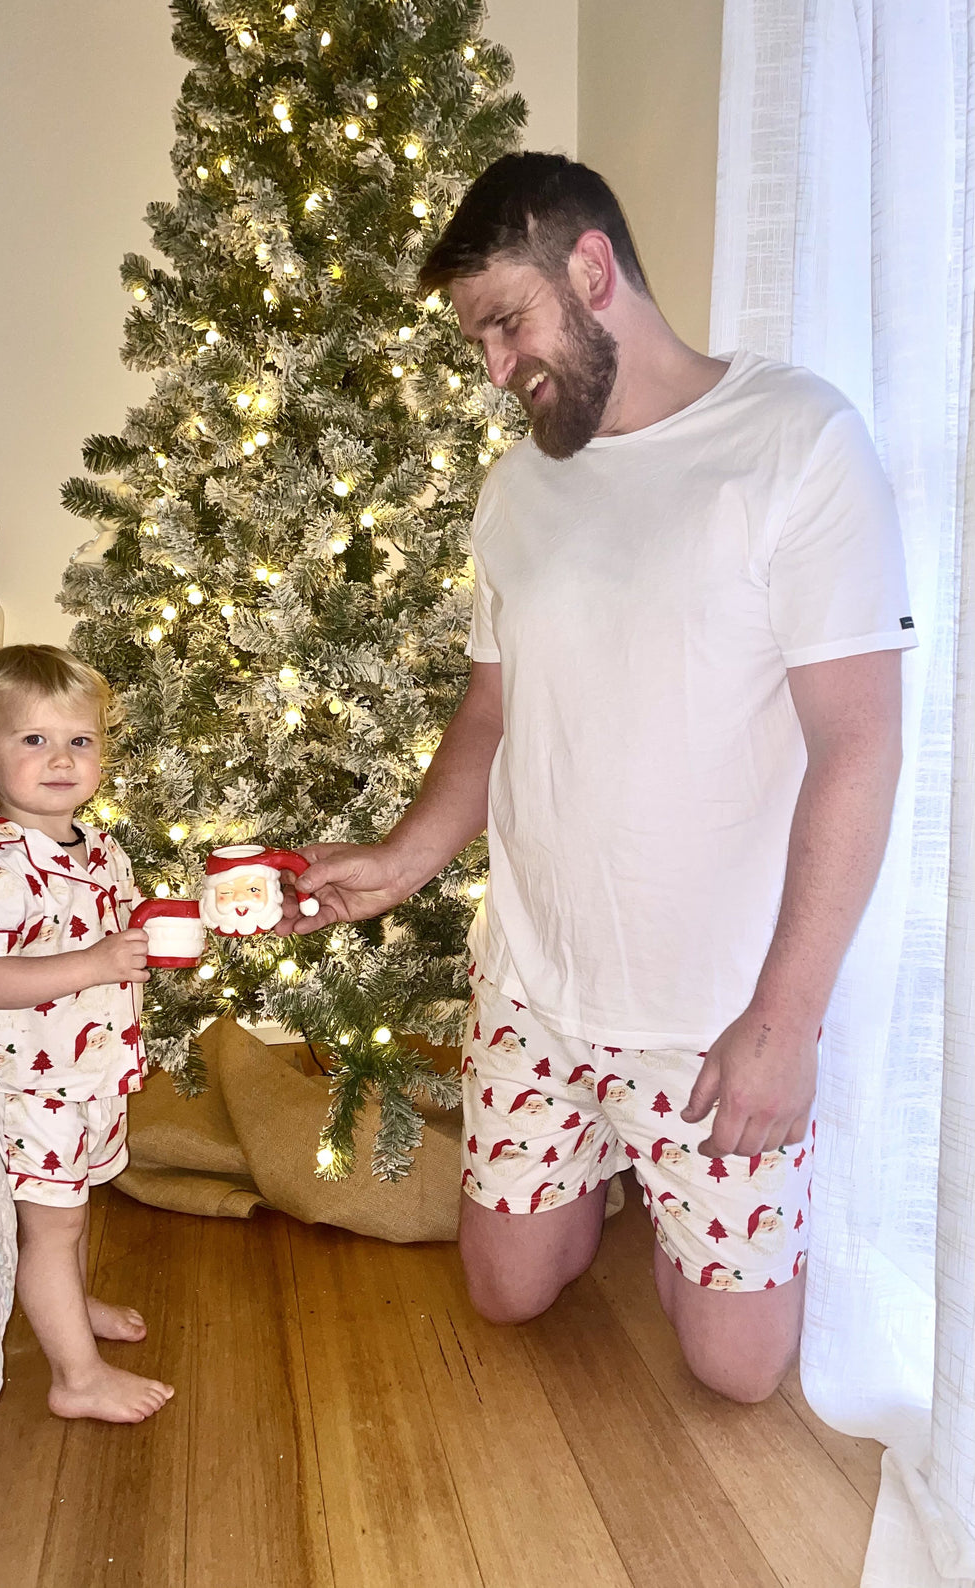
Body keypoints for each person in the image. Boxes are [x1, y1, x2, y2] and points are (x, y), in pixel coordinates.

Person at [278, 152, 917, 1403]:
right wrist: (403, 861)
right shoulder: (518, 488)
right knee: (505, 1292)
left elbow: (860, 742)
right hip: (535, 984)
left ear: (591, 267)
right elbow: (492, 705)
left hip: (711, 1013)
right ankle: (604, 1167)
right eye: (477, 341)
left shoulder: (797, 440)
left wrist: (782, 1022)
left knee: (737, 1371)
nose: (496, 368)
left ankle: (667, 1175)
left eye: (505, 324)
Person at [0, 644, 173, 1423]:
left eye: (80, 740)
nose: (62, 758)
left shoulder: (96, 847)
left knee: (71, 1212)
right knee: (51, 1225)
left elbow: (108, 929)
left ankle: (68, 1299)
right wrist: (94, 961)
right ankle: (75, 1375)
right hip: (35, 1086)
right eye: (33, 740)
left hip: (89, 1074)